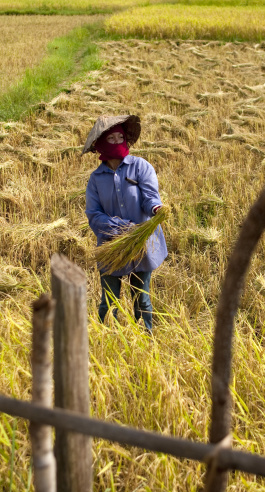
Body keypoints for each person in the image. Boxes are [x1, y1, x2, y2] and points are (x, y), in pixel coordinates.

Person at [83, 115, 167, 332]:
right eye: (111, 138)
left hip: (141, 244)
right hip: (112, 246)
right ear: (100, 143)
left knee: (142, 301)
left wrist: (156, 209)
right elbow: (94, 214)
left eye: (121, 136)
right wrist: (120, 228)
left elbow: (150, 197)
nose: (118, 141)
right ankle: (104, 338)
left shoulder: (140, 167)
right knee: (109, 302)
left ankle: (146, 340)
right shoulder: (96, 179)